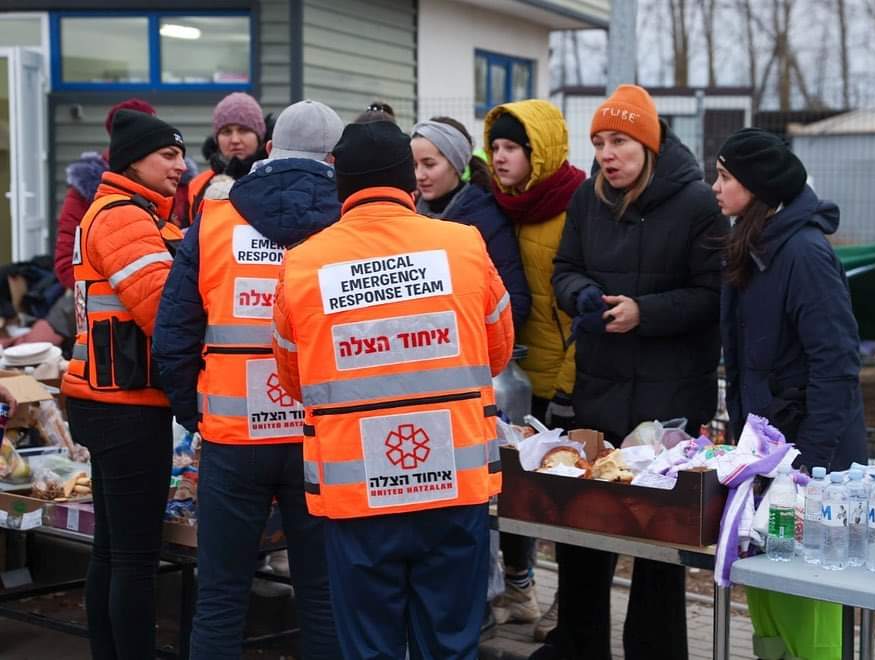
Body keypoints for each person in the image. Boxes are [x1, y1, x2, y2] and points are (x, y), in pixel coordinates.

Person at [271, 120, 514, 659]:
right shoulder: (464, 245)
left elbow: (295, 380)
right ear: (407, 182)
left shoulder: (303, 263)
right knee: (451, 644)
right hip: (453, 483)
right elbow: (495, 351)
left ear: (341, 184)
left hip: (357, 494)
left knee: (369, 648)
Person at [534, 84, 727, 660]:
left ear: (647, 142)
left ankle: (655, 649)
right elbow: (563, 270)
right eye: (598, 142)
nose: (606, 154)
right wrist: (585, 294)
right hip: (600, 391)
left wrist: (646, 312)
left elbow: (713, 295)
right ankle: (578, 644)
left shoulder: (696, 203)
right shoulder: (587, 201)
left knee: (658, 545)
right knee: (585, 531)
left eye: (619, 141)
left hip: (669, 403)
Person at [153, 99, 344, 659]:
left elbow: (174, 337)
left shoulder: (214, 221)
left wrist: (201, 412)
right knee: (323, 596)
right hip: (320, 437)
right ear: (334, 160)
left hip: (234, 437)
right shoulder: (349, 230)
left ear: (269, 151)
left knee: (219, 598)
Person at [714, 128, 866, 660]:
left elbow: (837, 363)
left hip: (808, 466)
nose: (716, 186)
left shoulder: (803, 254)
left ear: (756, 188)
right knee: (770, 597)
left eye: (726, 177)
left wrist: (811, 471)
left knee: (808, 603)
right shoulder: (754, 246)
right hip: (770, 463)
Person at [60, 109, 187, 660]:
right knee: (133, 557)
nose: (180, 166)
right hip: (128, 404)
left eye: (181, 155)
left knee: (111, 551)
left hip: (104, 399)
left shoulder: (121, 213)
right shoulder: (124, 218)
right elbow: (163, 310)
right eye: (168, 154)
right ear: (135, 159)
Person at [482, 99, 585, 631]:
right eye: (494, 147)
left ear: (537, 153)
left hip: (563, 381)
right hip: (515, 379)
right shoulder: (501, 206)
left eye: (511, 148)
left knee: (562, 502)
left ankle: (570, 605)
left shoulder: (576, 204)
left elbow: (580, 307)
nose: (499, 158)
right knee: (515, 492)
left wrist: (568, 385)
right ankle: (521, 587)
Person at [53, 99, 196, 289]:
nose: (181, 166)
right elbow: (159, 303)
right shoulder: (119, 213)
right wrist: (108, 286)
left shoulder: (172, 186)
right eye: (168, 155)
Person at [412, 116, 530, 329]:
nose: (419, 175)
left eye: (429, 164)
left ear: (455, 164)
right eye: (414, 165)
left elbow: (515, 304)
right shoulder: (409, 215)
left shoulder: (486, 218)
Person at [187, 92, 267, 221]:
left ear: (259, 137)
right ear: (216, 139)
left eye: (243, 130)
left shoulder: (276, 179)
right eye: (226, 132)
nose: (235, 139)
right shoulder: (198, 184)